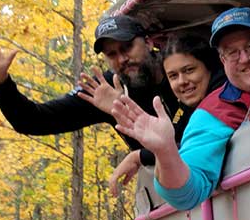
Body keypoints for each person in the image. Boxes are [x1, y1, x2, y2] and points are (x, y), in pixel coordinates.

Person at [109, 8, 250, 211]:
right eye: (232, 52)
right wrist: (164, 152)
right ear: (221, 60)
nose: (245, 58)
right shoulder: (213, 114)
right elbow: (187, 192)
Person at [0, 16, 178, 157]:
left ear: (149, 43)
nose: (122, 59)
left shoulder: (182, 66)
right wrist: (0, 82)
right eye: (112, 54)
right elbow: (31, 120)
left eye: (128, 47)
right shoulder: (103, 90)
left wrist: (139, 155)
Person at [88, 37, 224, 196]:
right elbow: (168, 144)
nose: (182, 81)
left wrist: (139, 157)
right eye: (173, 76)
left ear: (208, 67)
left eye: (189, 70)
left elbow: (192, 145)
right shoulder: (184, 108)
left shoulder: (223, 97)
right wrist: (126, 117)